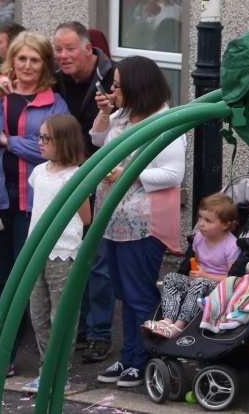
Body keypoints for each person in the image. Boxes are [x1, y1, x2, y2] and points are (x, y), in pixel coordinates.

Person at [91, 55, 186, 388]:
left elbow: (173, 174)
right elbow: (97, 140)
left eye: (118, 85)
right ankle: (128, 355)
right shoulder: (123, 115)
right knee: (123, 292)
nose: (112, 90)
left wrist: (128, 175)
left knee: (139, 294)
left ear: (136, 86)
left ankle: (143, 358)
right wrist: (105, 112)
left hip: (144, 224)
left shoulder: (165, 123)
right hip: (115, 221)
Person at [0, 31, 69, 378]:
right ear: (12, 60)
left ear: (45, 65)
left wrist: (7, 141)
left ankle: (28, 354)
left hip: (33, 201)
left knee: (26, 280)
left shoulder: (55, 103)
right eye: (21, 58)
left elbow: (53, 150)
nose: (26, 65)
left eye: (34, 60)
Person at [53, 21, 116, 363]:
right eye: (58, 50)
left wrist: (112, 108)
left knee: (97, 259)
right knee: (68, 255)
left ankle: (99, 333)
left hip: (99, 175)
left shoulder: (112, 77)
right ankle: (76, 330)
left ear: (88, 49)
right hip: (65, 175)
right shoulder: (55, 78)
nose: (62, 56)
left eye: (69, 49)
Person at [21, 114, 92, 393]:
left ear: (63, 141)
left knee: (60, 315)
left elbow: (86, 218)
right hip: (36, 250)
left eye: (45, 138)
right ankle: (45, 370)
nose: (39, 142)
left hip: (63, 252)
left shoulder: (75, 176)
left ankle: (59, 373)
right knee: (38, 314)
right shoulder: (39, 172)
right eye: (39, 136)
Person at [141, 193, 240, 338]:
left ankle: (179, 325)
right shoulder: (199, 238)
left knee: (199, 283)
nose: (201, 223)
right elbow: (198, 262)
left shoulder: (231, 246)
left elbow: (232, 279)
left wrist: (204, 275)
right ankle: (167, 320)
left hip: (219, 289)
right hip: (199, 281)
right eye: (200, 217)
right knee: (171, 278)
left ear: (225, 225)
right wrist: (195, 274)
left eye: (208, 220)